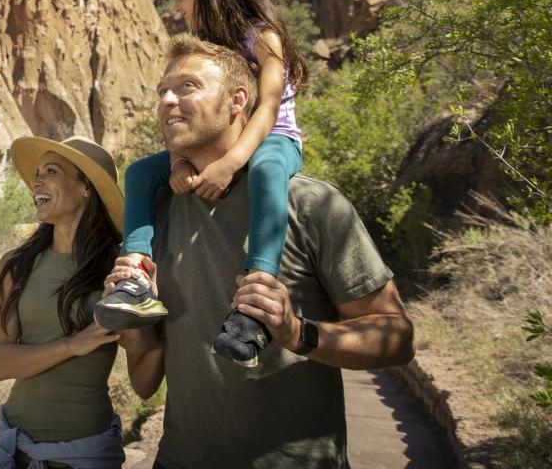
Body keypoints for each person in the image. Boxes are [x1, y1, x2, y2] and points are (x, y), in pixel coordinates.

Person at [116, 35, 414, 468]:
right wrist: (136, 321)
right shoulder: (153, 216)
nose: (166, 100)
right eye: (162, 90)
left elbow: (397, 339)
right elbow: (145, 383)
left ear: (238, 100)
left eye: (186, 87)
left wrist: (298, 333)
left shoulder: (310, 206)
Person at [95, 0, 310, 368]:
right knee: (140, 172)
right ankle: (135, 273)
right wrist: (179, 160)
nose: (176, 8)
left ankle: (256, 293)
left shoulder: (263, 38)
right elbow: (192, 122)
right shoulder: (210, 45)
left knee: (268, 170)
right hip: (219, 146)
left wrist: (231, 164)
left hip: (273, 139)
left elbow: (267, 107)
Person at [0, 135, 132, 469]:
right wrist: (71, 346)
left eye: (51, 171)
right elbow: (0, 364)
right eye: (37, 173)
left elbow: (146, 368)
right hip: (13, 448)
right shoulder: (16, 264)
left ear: (85, 188)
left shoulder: (119, 267)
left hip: (85, 453)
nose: (36, 181)